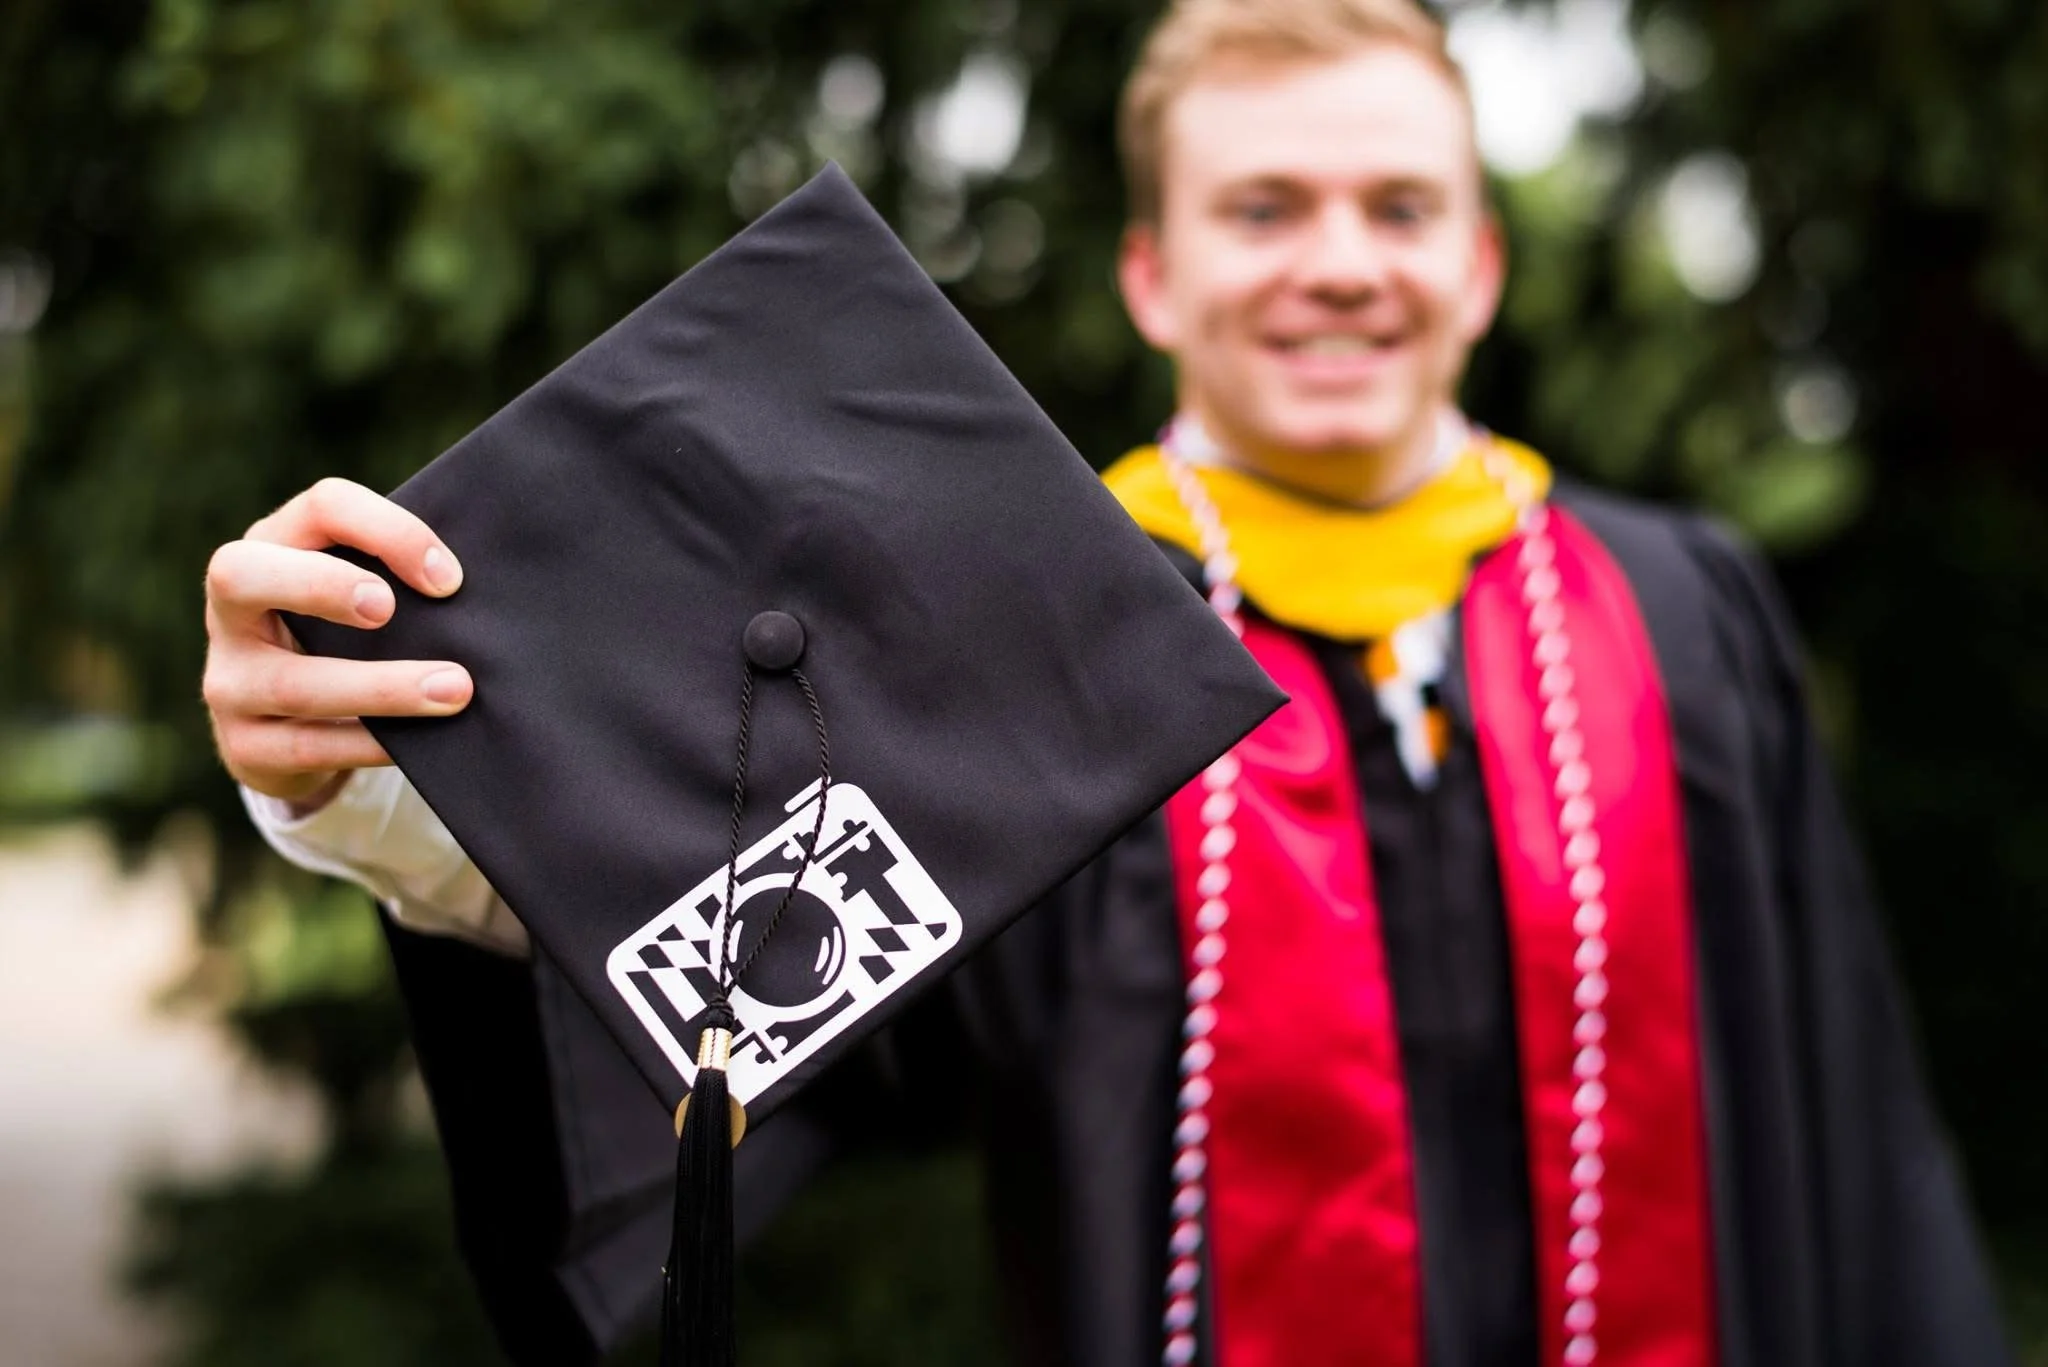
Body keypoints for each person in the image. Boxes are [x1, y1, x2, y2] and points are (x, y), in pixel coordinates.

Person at [202, 0, 2011, 1363]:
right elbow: (754, 971)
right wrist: (372, 790)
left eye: (1398, 207)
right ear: (1152, 272)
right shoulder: (1022, 639)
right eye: (1264, 208)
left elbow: (1847, 1108)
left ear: (1478, 263)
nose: (1339, 265)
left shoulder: (1680, 612)